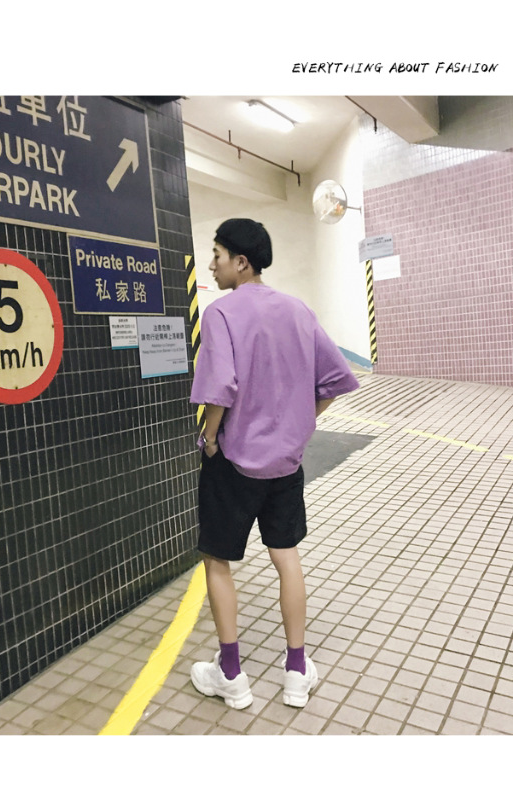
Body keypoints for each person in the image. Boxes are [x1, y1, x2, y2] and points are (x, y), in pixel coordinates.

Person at [189, 218, 360, 710]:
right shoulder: (298, 310)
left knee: (217, 560)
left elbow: (220, 387)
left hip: (233, 462)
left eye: (217, 255)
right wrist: (299, 424)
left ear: (241, 262)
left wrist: (211, 437)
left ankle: (231, 675)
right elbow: (336, 379)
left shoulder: (221, 314)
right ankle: (296, 671)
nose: (212, 265)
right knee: (286, 558)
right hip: (285, 464)